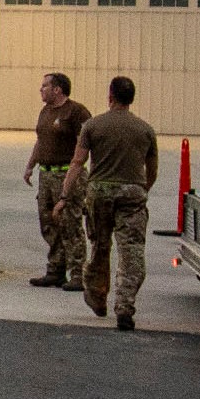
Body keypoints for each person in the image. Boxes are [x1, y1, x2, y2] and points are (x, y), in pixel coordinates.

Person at [68, 74, 159, 332]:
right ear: (132, 98)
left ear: (110, 96)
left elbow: (78, 162)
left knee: (99, 246)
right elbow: (152, 171)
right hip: (132, 195)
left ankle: (97, 296)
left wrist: (65, 195)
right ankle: (125, 307)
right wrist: (141, 190)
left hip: (99, 193)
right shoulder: (145, 130)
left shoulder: (93, 126)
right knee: (131, 252)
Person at [24, 70, 88, 290]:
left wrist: (76, 175)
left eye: (45, 86)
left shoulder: (75, 112)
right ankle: (55, 270)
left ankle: (78, 273)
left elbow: (84, 145)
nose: (41, 90)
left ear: (57, 89)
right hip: (47, 173)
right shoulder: (45, 112)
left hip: (66, 174)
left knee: (70, 223)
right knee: (48, 223)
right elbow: (40, 141)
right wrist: (30, 165)